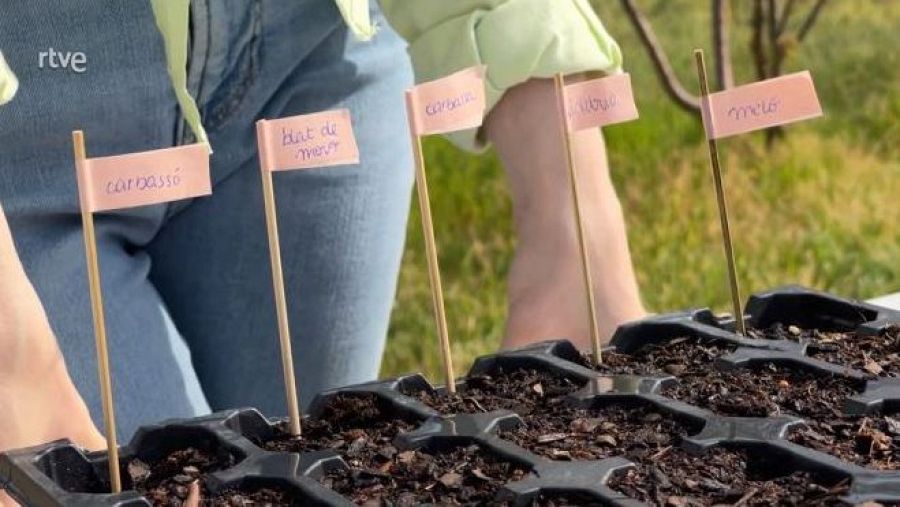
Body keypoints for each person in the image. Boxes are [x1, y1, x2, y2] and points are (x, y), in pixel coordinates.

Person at [0, 0, 645, 479]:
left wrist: (573, 219)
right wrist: (11, 360)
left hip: (322, 54)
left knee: (312, 464)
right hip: (28, 115)